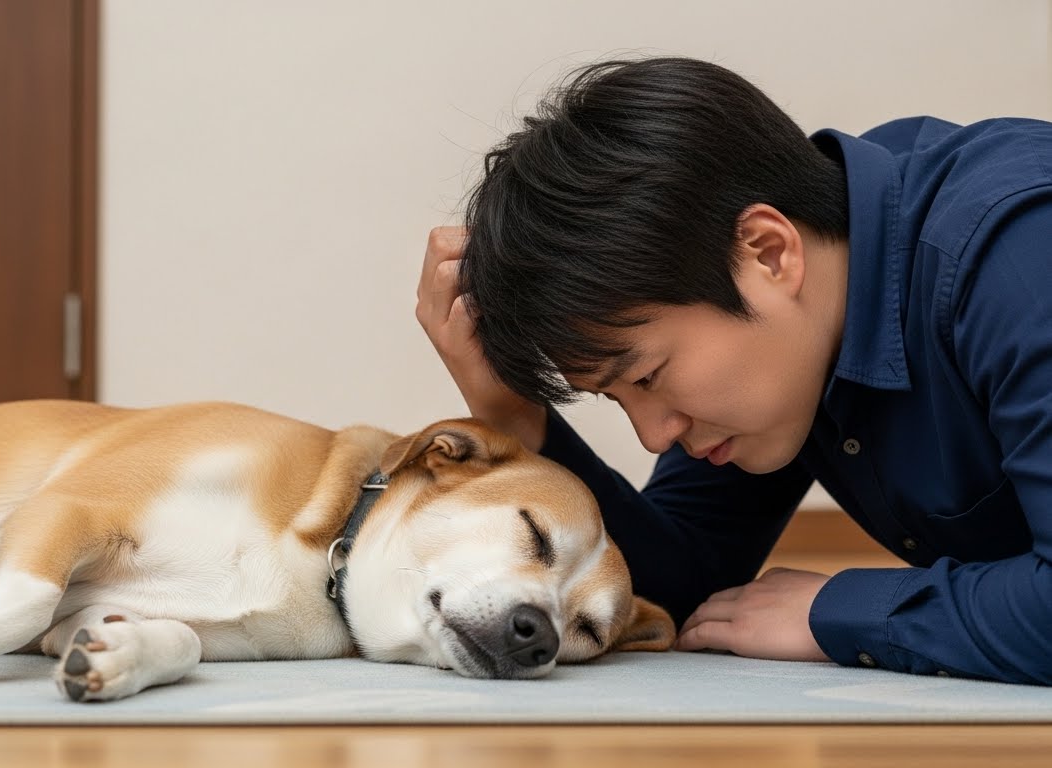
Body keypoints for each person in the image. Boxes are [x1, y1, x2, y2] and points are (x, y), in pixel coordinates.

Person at [416, 57, 1052, 685]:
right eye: (615, 400)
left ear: (768, 253)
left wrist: (840, 613)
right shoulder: (809, 317)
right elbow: (687, 588)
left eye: (646, 377)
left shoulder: (1020, 256)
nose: (654, 435)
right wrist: (512, 419)